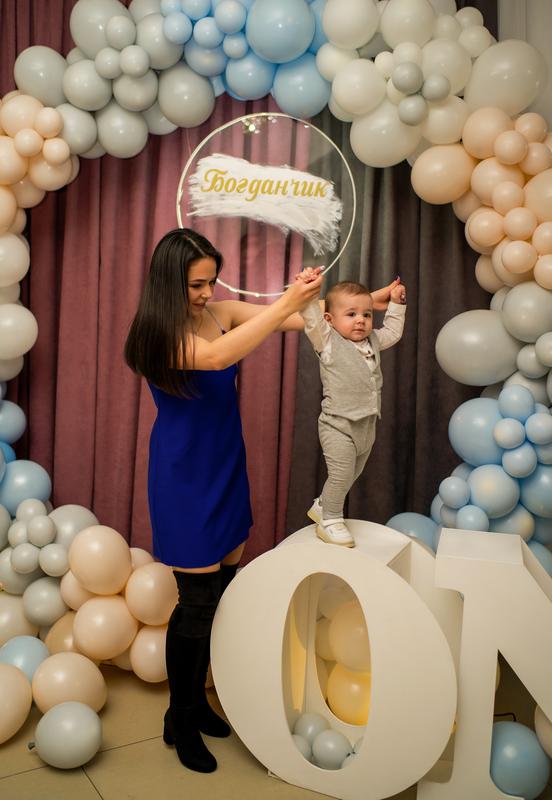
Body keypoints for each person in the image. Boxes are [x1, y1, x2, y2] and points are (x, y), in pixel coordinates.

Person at [124, 228, 399, 774]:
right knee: (195, 602)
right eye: (196, 285)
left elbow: (301, 319)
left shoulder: (219, 310)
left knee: (223, 590)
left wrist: (369, 301)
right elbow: (217, 356)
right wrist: (287, 303)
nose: (207, 293)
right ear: (168, 282)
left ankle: (196, 702)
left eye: (211, 281)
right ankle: (180, 715)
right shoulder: (156, 334)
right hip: (184, 473)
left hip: (225, 461)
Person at [296, 269, 407, 547]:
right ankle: (331, 519)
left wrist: (396, 304)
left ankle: (324, 504)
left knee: (352, 475)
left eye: (367, 314)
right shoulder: (327, 341)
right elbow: (311, 319)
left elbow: (393, 332)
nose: (360, 320)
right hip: (337, 425)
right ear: (329, 320)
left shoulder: (373, 341)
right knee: (341, 474)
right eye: (351, 314)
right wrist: (309, 290)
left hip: (367, 424)